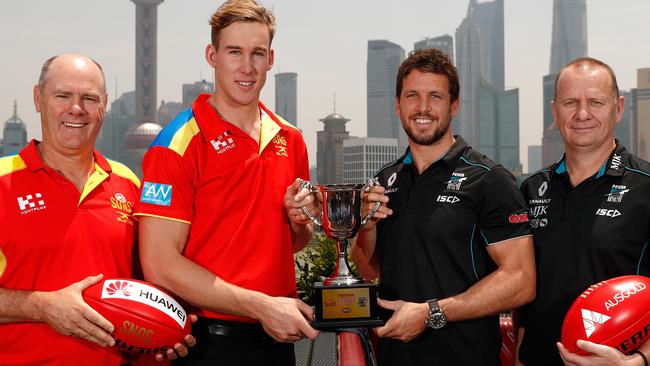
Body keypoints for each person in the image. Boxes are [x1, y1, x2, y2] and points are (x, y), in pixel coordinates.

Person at [133, 1, 319, 365]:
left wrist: (299, 221)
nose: (247, 67)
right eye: (234, 52)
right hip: (206, 343)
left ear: (270, 59)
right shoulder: (178, 143)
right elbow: (159, 263)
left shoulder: (291, 138)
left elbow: (293, 242)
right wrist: (261, 305)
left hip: (278, 338)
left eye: (257, 54)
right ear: (212, 55)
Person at [0, 53, 192, 365]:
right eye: (62, 95)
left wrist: (165, 330)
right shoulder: (2, 181)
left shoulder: (129, 183)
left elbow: (146, 286)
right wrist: (42, 306)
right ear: (38, 98)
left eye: (89, 98)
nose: (76, 109)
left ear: (103, 104)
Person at [351, 48, 536, 365]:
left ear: (454, 106)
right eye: (412, 96)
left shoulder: (490, 180)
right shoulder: (384, 180)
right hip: (395, 357)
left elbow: (521, 282)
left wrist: (431, 312)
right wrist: (366, 227)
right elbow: (370, 269)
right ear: (398, 105)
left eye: (435, 96)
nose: (423, 107)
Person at [517, 57, 650, 366]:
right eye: (570, 102)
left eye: (595, 102)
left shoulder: (646, 187)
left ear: (618, 108)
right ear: (554, 111)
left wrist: (640, 360)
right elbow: (523, 288)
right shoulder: (530, 189)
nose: (582, 114)